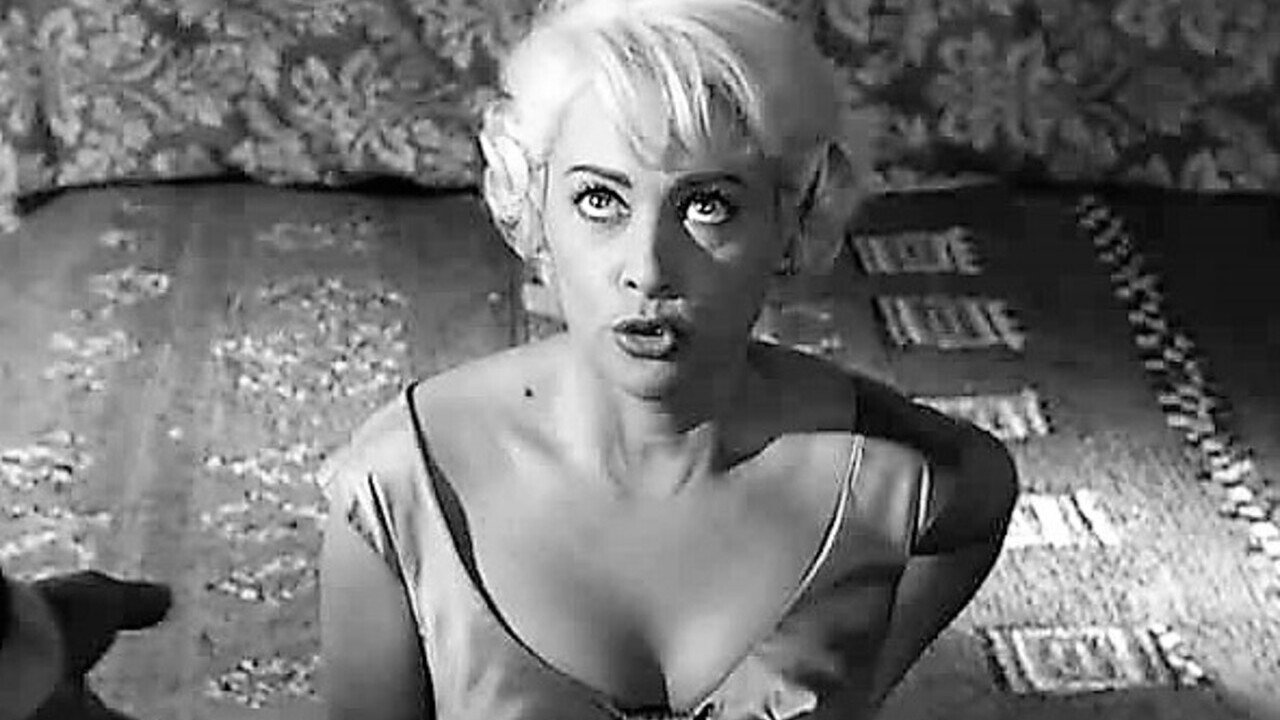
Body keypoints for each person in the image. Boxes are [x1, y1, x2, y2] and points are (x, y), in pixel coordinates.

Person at [319, 0, 1019, 718]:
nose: (648, 270)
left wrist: (862, 684)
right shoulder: (405, 486)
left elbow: (984, 497)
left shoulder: (887, 474)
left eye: (707, 206)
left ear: (792, 221)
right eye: (599, 199)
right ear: (535, 212)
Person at [0, 567, 172, 720]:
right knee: (115, 599)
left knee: (116, 600)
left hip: (34, 618)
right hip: (20, 698)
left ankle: (166, 600)